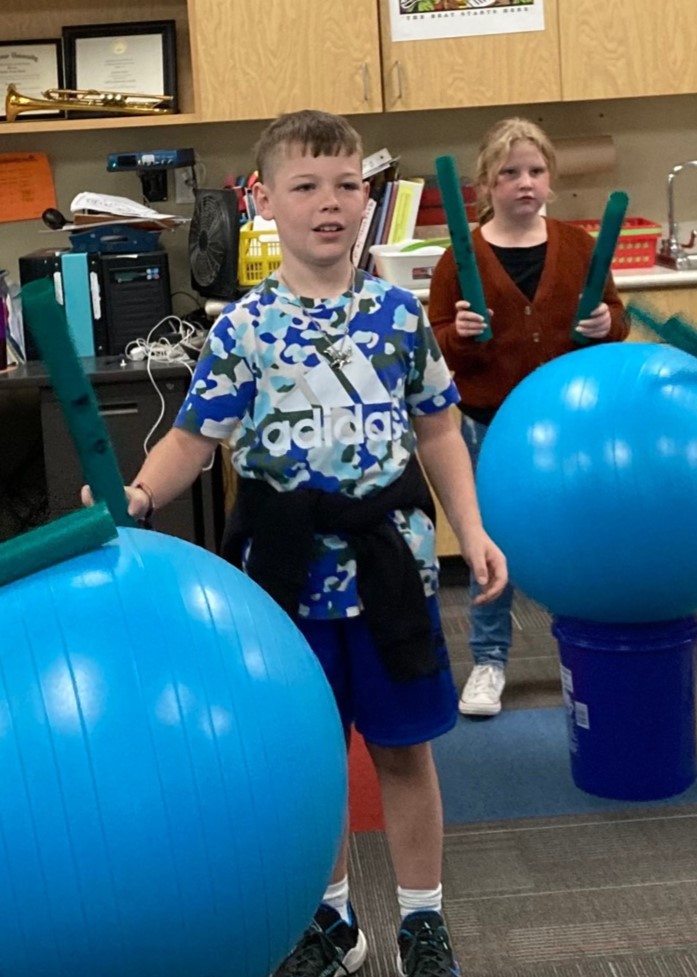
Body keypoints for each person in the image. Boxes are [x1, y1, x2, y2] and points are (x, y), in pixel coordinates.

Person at [85, 109, 507, 977]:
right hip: (282, 579)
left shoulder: (397, 316)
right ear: (266, 203)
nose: (329, 204)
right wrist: (133, 495)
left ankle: (423, 921)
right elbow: (192, 441)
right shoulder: (242, 328)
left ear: (366, 200)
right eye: (305, 187)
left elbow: (436, 432)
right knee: (307, 755)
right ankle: (334, 920)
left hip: (391, 564)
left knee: (403, 748)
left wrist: (472, 526)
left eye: (346, 186)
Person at [427, 117, 630, 718]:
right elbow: (436, 345)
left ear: (551, 181)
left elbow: (615, 317)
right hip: (486, 422)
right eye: (509, 173)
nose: (524, 183)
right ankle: (489, 662)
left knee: (577, 534)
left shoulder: (578, 247)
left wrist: (606, 327)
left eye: (535, 171)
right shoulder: (457, 260)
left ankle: (589, 651)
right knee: (490, 544)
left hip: (568, 425)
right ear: (485, 185)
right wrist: (457, 336)